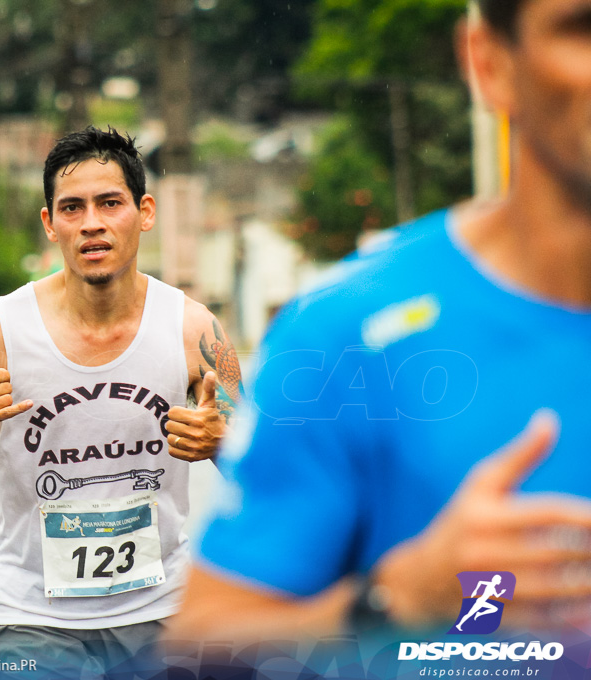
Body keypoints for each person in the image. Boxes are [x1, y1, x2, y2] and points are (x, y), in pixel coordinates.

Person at [169, 0, 591, 642]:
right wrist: (400, 598)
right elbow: (199, 649)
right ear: (490, 61)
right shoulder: (346, 335)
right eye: (583, 28)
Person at [0, 127, 242, 678]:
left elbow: (269, 472)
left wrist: (222, 443)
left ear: (144, 211)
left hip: (163, 613)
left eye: (110, 203)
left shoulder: (192, 328)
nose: (91, 223)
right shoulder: (0, 330)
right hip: (33, 618)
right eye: (72, 208)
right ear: (49, 223)